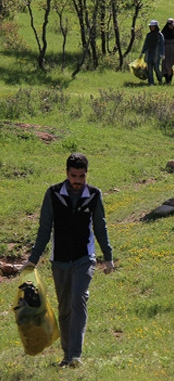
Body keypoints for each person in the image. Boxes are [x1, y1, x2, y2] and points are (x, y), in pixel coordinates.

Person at [21, 153, 114, 368]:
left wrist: (108, 257)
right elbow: (44, 229)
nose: (77, 181)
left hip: (84, 258)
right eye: (74, 176)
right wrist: (33, 260)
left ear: (86, 175)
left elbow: (100, 227)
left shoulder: (94, 195)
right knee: (65, 309)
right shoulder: (53, 194)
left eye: (81, 176)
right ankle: (66, 356)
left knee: (78, 300)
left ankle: (75, 356)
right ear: (66, 173)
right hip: (60, 260)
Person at [141, 20, 165, 85]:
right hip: (149, 53)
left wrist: (162, 54)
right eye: (151, 26)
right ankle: (151, 82)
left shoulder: (160, 35)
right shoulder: (149, 35)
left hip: (157, 54)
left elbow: (162, 45)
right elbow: (146, 43)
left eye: (153, 26)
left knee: (156, 68)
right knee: (149, 69)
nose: (151, 27)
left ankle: (160, 78)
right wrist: (142, 52)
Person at [161, 18, 174, 85]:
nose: (171, 26)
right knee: (165, 65)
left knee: (171, 65)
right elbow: (161, 43)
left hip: (173, 51)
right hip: (165, 50)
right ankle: (167, 79)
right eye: (170, 25)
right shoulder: (163, 33)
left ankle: (170, 79)